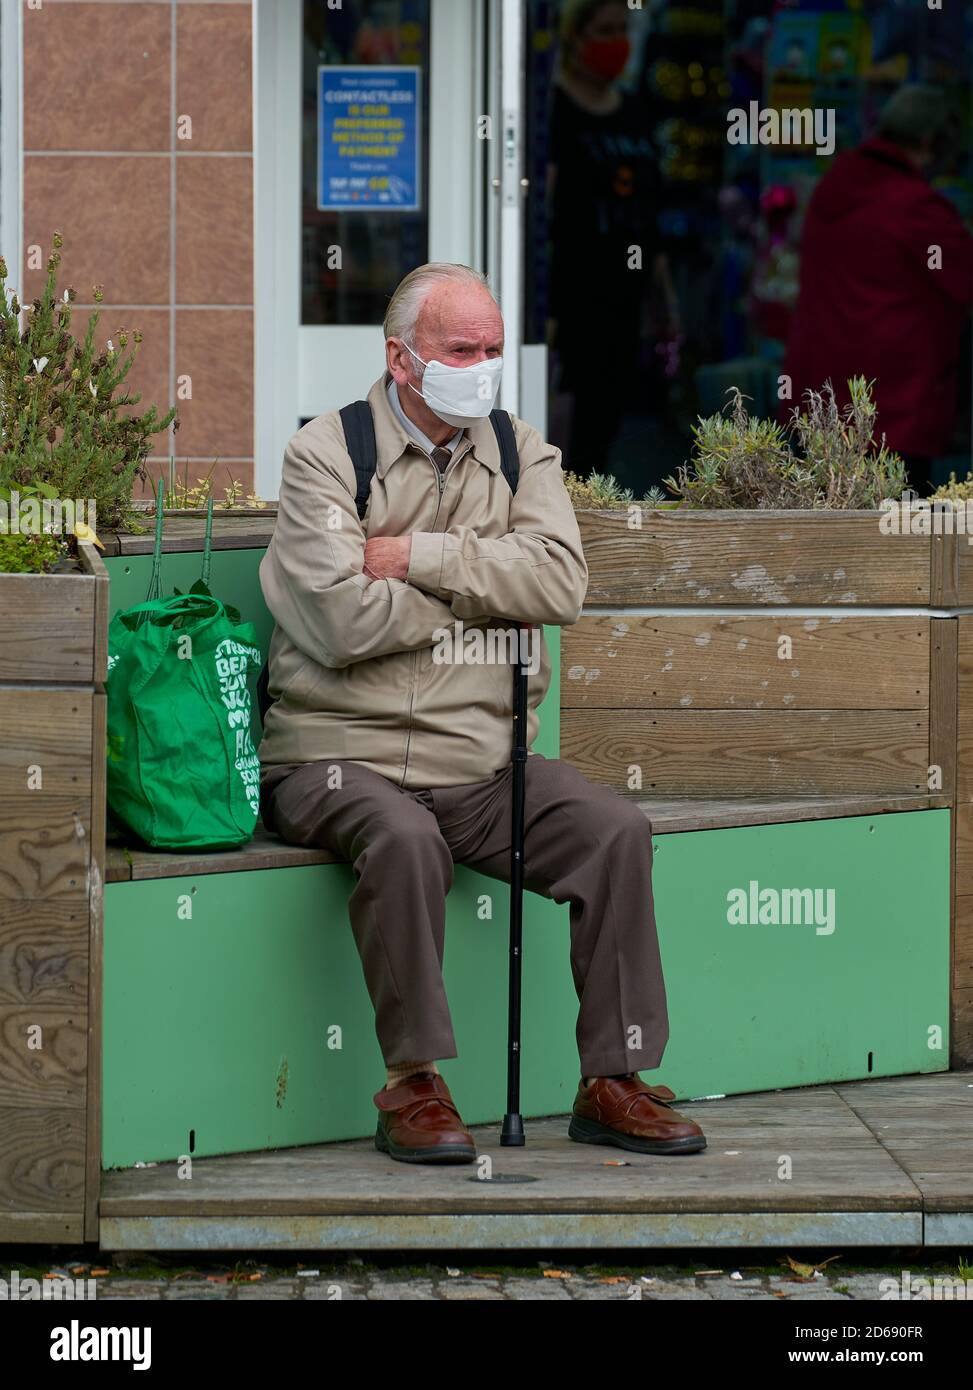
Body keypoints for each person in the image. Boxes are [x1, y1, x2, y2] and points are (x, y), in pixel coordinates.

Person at [257, 262, 705, 1165]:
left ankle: (610, 1080)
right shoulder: (325, 452)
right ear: (402, 358)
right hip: (338, 757)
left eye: (493, 349)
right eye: (462, 349)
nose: (483, 365)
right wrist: (482, 587)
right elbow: (339, 622)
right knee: (404, 838)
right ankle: (412, 1085)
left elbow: (559, 582)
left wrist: (418, 556)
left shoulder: (518, 450)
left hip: (482, 763)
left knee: (613, 829)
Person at [784, 84, 973, 496]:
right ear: (930, 142)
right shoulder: (917, 208)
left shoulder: (832, 187)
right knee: (891, 547)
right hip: (890, 414)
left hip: (819, 403)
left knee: (821, 538)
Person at [546, 0, 679, 477]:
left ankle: (589, 534)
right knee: (561, 430)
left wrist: (663, 300)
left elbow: (651, 215)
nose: (616, 41)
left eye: (623, 29)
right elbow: (541, 208)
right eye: (604, 30)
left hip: (625, 302)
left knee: (603, 430)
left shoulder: (635, 112)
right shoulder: (555, 109)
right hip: (570, 300)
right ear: (576, 38)